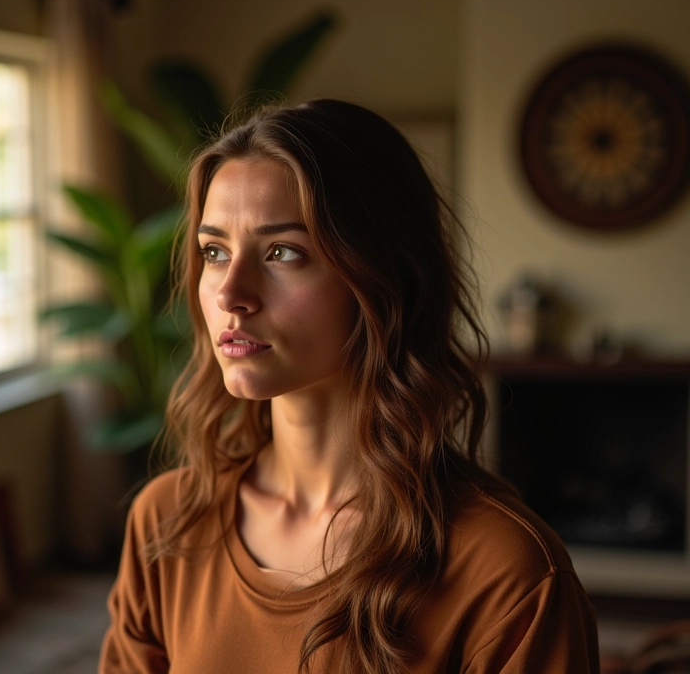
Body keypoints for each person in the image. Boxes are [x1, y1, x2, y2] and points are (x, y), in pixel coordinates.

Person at [99, 99, 600, 674]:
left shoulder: (507, 572)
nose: (230, 293)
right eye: (214, 251)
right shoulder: (166, 521)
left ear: (385, 279)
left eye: (283, 252)